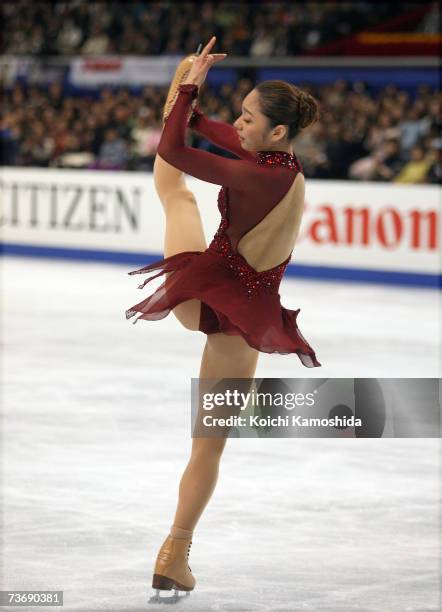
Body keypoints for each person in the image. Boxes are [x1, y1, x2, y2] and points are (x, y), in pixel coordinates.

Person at [125, 37, 321, 601]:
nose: (238, 122)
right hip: (241, 320)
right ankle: (175, 552)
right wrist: (191, 94)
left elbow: (174, 149)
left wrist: (185, 86)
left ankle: (174, 558)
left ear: (277, 132)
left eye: (248, 116)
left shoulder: (262, 178)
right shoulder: (274, 165)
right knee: (207, 445)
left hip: (199, 293)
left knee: (175, 194)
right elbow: (200, 130)